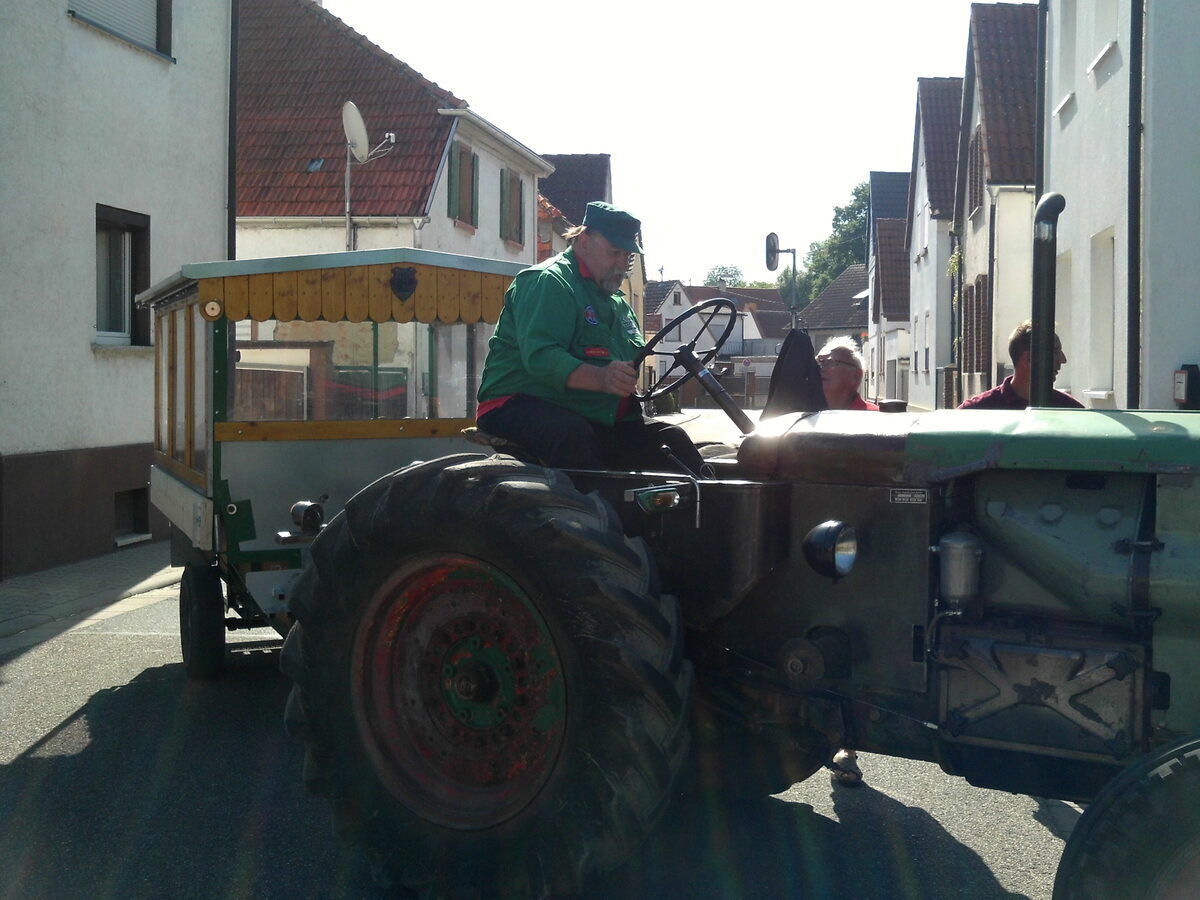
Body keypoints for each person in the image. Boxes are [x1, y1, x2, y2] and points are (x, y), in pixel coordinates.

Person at [476, 201, 704, 474]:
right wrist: (602, 378)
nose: (622, 264)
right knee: (574, 438)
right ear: (584, 241)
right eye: (614, 252)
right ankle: (594, 502)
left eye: (628, 256)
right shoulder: (549, 282)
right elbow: (541, 357)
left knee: (672, 441)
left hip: (591, 412)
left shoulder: (617, 303)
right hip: (517, 403)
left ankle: (701, 499)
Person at [812, 337, 874, 787]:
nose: (821, 366)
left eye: (830, 361)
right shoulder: (801, 415)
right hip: (808, 541)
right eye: (819, 359)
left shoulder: (873, 422)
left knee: (852, 640)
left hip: (852, 547)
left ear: (854, 376)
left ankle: (849, 745)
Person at [958, 320, 1084, 409]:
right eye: (1055, 352)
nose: (1063, 360)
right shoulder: (977, 411)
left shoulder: (1070, 409)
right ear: (1029, 358)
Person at [816, 336, 879, 411]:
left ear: (855, 376)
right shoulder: (806, 414)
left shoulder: (875, 415)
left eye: (830, 362)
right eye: (817, 363)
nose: (820, 368)